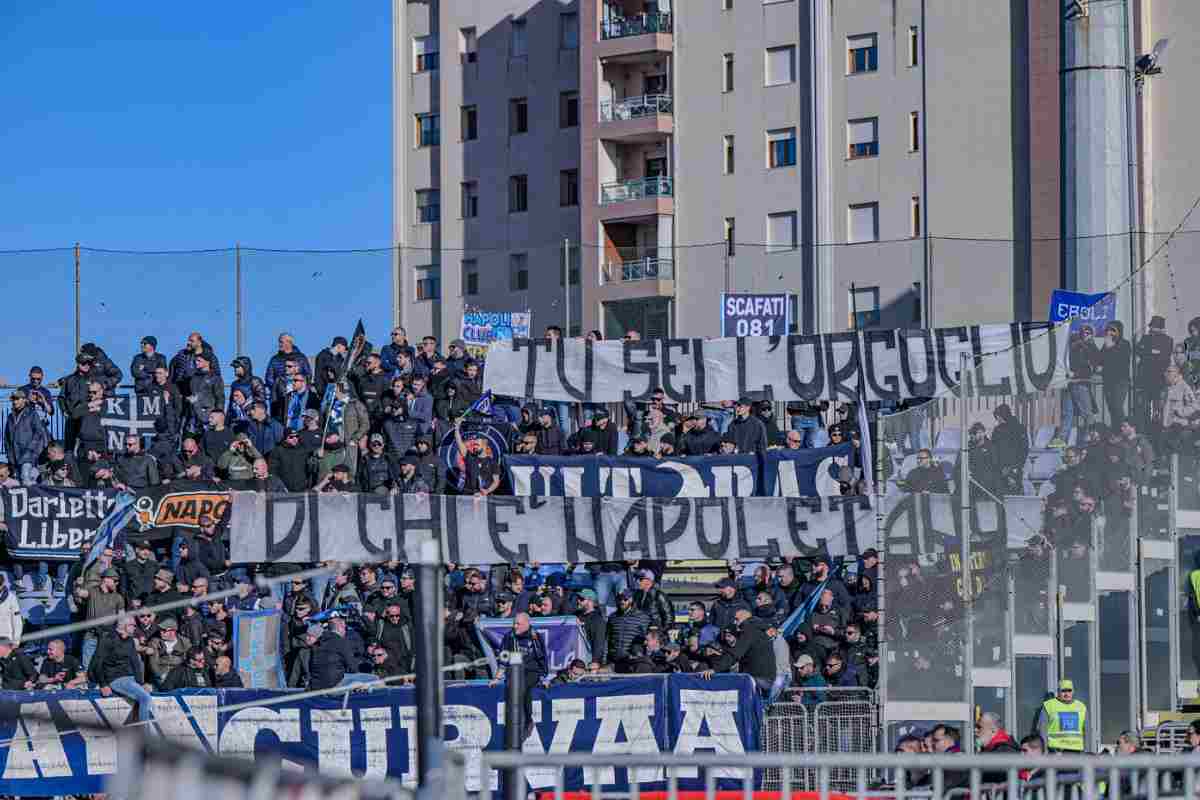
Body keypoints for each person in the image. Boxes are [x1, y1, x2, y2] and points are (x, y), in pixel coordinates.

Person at [88, 617, 154, 722]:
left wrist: (141, 683)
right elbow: (97, 664)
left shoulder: (130, 641)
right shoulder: (108, 639)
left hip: (130, 678)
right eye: (133, 625)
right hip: (116, 678)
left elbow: (135, 663)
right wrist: (103, 684)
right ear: (124, 626)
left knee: (149, 695)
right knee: (145, 699)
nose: (135, 628)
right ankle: (145, 734)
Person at [5, 389, 49, 485]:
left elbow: (39, 433)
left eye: (17, 399)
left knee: (26, 479)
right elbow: (7, 438)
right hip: (15, 457)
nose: (14, 401)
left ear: (24, 400)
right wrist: (9, 455)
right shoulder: (10, 417)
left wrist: (30, 451)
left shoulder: (32, 414)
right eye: (13, 399)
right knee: (18, 482)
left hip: (28, 456)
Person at [1036, 678, 1087, 752]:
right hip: (1055, 751)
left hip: (1076, 752)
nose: (1066, 694)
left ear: (1073, 691)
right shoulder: (1049, 706)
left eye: (1069, 690)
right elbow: (1042, 730)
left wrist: (1086, 752)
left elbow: (1087, 732)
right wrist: (1044, 751)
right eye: (1063, 691)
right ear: (1058, 692)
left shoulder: (1081, 707)